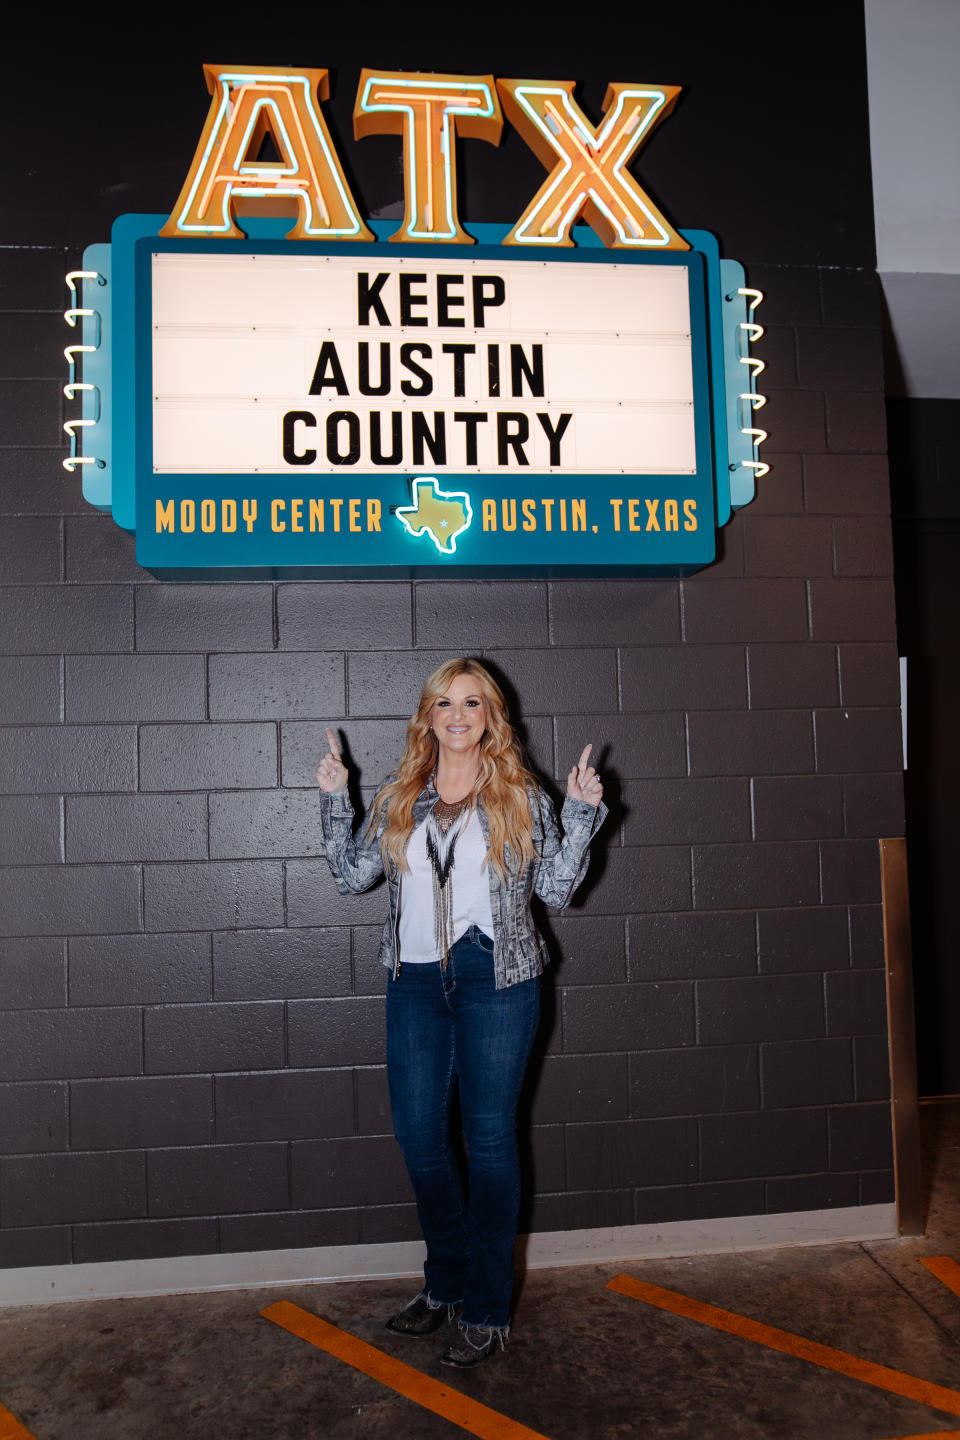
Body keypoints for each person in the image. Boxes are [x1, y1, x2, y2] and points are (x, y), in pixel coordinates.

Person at [315, 657, 606, 1368]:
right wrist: (334, 797)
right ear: (428, 716)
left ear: (490, 717)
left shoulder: (519, 792)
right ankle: (444, 1283)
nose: (456, 714)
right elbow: (352, 876)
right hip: (413, 982)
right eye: (444, 702)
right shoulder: (398, 792)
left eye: (471, 702)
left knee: (490, 1140)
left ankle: (484, 1303)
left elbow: (561, 890)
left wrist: (582, 810)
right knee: (420, 1140)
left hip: (497, 980)